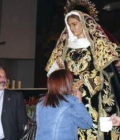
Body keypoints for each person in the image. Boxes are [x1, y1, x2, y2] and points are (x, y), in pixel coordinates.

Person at [45, 10, 120, 140]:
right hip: (69, 96)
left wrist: (91, 83)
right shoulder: (65, 49)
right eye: (69, 25)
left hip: (94, 96)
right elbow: (54, 74)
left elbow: (108, 75)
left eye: (75, 24)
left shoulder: (97, 46)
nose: (72, 28)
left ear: (84, 23)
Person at [35, 69, 92, 140]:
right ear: (67, 83)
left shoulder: (41, 102)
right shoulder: (70, 101)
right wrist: (79, 101)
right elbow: (87, 124)